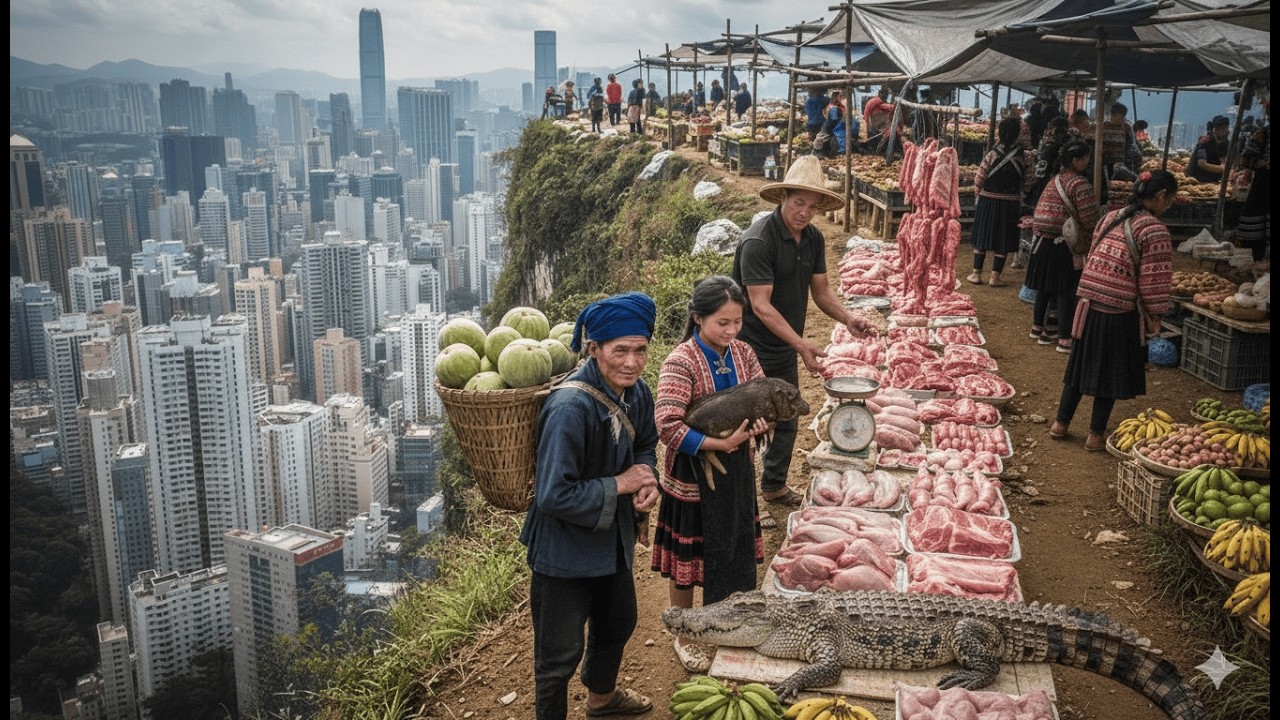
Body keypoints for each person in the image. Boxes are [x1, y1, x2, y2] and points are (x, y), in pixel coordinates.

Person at [521, 291, 660, 719]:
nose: (632, 362)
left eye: (640, 351)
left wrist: (646, 477)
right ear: (594, 348)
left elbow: (646, 444)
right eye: (621, 351)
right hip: (563, 554)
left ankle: (601, 700)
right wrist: (621, 483)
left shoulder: (636, 393)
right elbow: (553, 494)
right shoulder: (569, 407)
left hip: (610, 542)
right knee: (557, 658)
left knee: (618, 623)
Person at [731, 155, 877, 506]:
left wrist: (848, 319)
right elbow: (761, 306)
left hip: (783, 344)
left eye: (812, 207)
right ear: (784, 198)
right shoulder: (759, 242)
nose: (805, 212)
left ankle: (774, 486)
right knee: (748, 424)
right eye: (799, 203)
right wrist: (801, 344)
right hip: (748, 347)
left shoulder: (812, 238)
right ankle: (739, 497)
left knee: (788, 415)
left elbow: (822, 291)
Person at [651, 275, 770, 672]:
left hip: (736, 472)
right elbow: (667, 425)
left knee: (734, 548)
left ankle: (731, 625)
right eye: (723, 323)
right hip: (691, 479)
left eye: (737, 322)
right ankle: (684, 634)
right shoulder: (680, 361)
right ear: (698, 318)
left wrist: (761, 424)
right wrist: (716, 444)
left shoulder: (744, 353)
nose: (731, 331)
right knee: (688, 561)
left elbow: (762, 397)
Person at [1049, 170, 1176, 451]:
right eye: (1170, 201)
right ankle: (1094, 436)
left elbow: (1094, 250)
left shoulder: (1110, 217)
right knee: (1110, 372)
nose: (1169, 206)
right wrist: (1155, 315)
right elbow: (1154, 279)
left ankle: (1060, 423)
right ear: (1160, 196)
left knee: (1080, 365)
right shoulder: (1155, 230)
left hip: (1088, 302)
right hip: (1119, 308)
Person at [1026, 140, 1100, 354]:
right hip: (1063, 245)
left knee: (1045, 289)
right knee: (1066, 291)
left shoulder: (1054, 180)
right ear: (1076, 160)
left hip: (1043, 243)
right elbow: (1089, 219)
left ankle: (1038, 328)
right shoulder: (1080, 184)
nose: (1087, 162)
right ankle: (1064, 338)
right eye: (1085, 158)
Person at [969, 117, 1033, 287]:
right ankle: (995, 277)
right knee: (1003, 239)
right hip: (1010, 203)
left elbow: (980, 177)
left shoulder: (992, 154)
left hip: (987, 200)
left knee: (982, 235)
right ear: (1016, 134)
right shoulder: (1024, 157)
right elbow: (1028, 182)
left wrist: (978, 195)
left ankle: (976, 274)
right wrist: (1022, 194)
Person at [1237, 93, 1270, 263]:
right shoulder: (1263, 132)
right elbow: (1246, 159)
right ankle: (1256, 259)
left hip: (1263, 182)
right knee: (1256, 219)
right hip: (1264, 181)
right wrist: (1262, 164)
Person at [1189, 115, 1231, 183]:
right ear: (1215, 129)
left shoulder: (1225, 143)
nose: (1226, 131)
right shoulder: (1205, 142)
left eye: (1227, 128)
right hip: (1199, 178)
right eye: (1223, 129)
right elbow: (1202, 164)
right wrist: (1222, 169)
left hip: (1215, 179)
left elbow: (1223, 159)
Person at [812, 90, 844, 159]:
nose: (842, 98)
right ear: (835, 96)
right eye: (840, 96)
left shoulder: (837, 107)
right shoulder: (833, 108)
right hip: (825, 138)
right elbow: (835, 119)